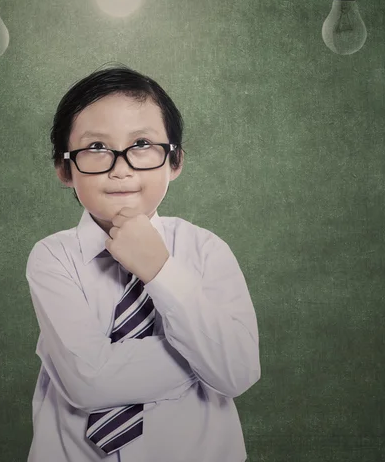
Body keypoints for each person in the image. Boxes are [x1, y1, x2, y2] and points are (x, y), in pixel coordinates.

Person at [26, 63, 260, 461]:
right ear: (65, 168)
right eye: (96, 148)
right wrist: (202, 362)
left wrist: (160, 270)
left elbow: (237, 372)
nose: (121, 168)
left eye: (142, 145)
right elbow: (88, 381)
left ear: (175, 161)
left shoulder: (206, 250)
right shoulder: (52, 258)